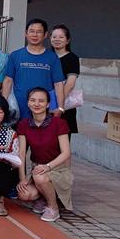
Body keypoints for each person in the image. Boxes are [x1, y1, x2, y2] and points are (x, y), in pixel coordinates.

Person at [16, 87, 73, 222]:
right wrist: (22, 178)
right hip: (37, 168)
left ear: (48, 104)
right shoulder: (24, 124)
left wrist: (47, 166)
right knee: (24, 194)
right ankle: (44, 197)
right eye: (33, 100)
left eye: (41, 101)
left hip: (58, 168)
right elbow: (22, 153)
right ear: (28, 103)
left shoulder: (59, 123)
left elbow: (66, 153)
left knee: (40, 177)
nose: (36, 104)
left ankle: (53, 207)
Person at [1, 18, 66, 121]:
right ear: (26, 33)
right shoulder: (15, 55)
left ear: (45, 35)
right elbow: (8, 81)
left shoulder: (52, 57)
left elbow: (58, 84)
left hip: (43, 109)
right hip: (19, 108)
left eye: (39, 32)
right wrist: (3, 104)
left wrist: (61, 107)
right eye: (31, 31)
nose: (35, 35)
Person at [51, 24, 80, 135]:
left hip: (63, 104)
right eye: (54, 37)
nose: (57, 39)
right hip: (45, 102)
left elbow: (70, 84)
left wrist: (58, 103)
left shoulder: (72, 58)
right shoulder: (47, 56)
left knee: (62, 137)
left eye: (61, 37)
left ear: (67, 40)